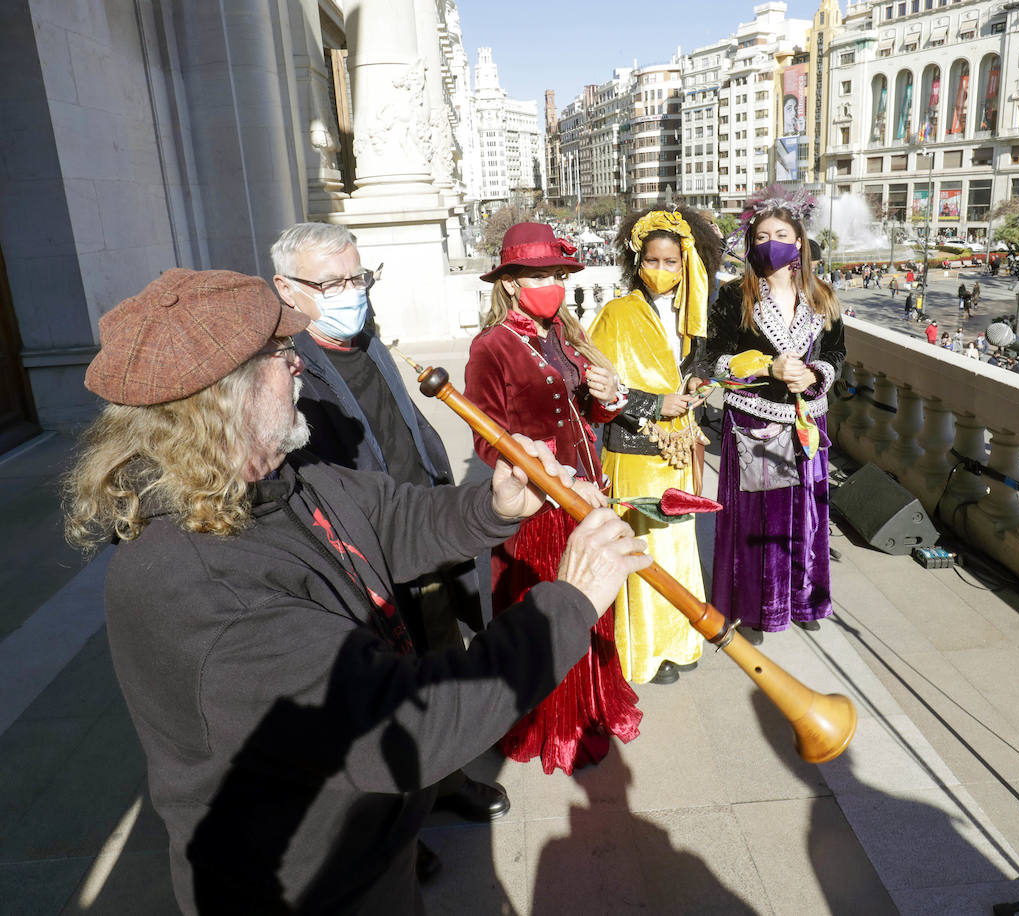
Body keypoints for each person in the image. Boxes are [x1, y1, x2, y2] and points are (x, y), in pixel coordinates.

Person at [63, 267, 649, 914]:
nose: (299, 368)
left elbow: (391, 518)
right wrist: (568, 601)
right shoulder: (199, 590)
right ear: (221, 398)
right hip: (303, 888)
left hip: (372, 845)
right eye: (281, 356)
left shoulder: (277, 473)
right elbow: (414, 725)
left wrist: (497, 506)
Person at [269, 224, 509, 847]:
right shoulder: (286, 366)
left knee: (436, 664)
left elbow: (398, 428)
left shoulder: (368, 340)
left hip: (417, 528)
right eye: (333, 283)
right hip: (357, 548)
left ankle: (448, 778)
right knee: (378, 692)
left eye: (359, 278)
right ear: (286, 289)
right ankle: (395, 829)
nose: (351, 293)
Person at [466, 223, 644, 774]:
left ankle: (591, 708)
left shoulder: (568, 334)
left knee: (591, 605)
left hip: (589, 498)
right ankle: (554, 725)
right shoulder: (490, 346)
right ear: (511, 283)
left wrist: (608, 399)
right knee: (550, 610)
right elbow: (486, 439)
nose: (549, 285)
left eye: (556, 275)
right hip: (540, 511)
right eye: (537, 275)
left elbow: (591, 416)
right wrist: (553, 474)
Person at [688, 186, 845, 643]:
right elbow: (710, 360)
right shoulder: (735, 297)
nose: (769, 242)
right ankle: (754, 607)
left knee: (808, 515)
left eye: (780, 233)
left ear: (798, 242)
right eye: (760, 235)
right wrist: (764, 367)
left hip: (808, 422)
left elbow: (837, 353)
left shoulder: (823, 297)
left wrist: (814, 374)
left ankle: (804, 597)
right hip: (754, 423)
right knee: (758, 518)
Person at [587, 206, 719, 685]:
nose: (662, 271)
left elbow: (695, 371)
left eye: (672, 263)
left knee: (679, 546)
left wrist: (698, 386)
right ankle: (642, 650)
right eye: (653, 261)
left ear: (689, 264)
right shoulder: (616, 313)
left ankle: (680, 641)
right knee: (641, 546)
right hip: (633, 448)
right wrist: (653, 404)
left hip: (680, 451)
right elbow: (596, 385)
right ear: (637, 260)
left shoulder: (694, 318)